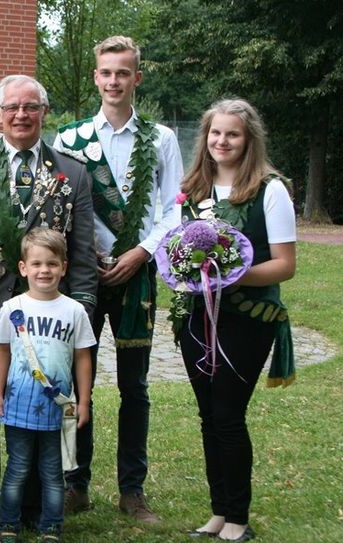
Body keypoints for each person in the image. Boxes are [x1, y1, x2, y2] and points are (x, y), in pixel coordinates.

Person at [0, 74, 97, 533]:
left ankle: (32, 506)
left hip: (49, 321)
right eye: (12, 107)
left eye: (30, 107)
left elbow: (83, 255)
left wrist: (80, 317)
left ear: (43, 113)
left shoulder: (72, 173)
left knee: (40, 415)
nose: (21, 115)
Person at [53, 35, 183, 522]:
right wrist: (82, 252)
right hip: (83, 276)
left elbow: (173, 209)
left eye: (123, 73)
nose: (114, 81)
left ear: (137, 78)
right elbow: (58, 208)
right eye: (106, 73)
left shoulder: (162, 138)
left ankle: (133, 490)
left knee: (135, 386)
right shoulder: (69, 139)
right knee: (73, 383)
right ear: (95, 78)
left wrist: (142, 251)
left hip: (138, 276)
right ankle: (74, 484)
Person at [175, 99, 296, 542]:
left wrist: (230, 278)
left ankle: (239, 518)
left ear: (249, 140)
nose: (222, 141)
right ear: (205, 138)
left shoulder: (270, 189)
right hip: (194, 320)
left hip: (247, 319)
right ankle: (218, 513)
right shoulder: (192, 191)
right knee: (208, 415)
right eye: (215, 133)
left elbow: (284, 265)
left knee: (228, 414)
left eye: (233, 134)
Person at [0, 228, 96, 543]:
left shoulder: (74, 311)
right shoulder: (13, 308)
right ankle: (8, 525)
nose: (44, 270)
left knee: (52, 473)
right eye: (36, 264)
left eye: (51, 263)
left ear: (64, 267)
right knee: (17, 468)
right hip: (19, 402)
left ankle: (51, 528)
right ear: (23, 268)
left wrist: (84, 401)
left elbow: (83, 358)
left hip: (58, 406)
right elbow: (2, 351)